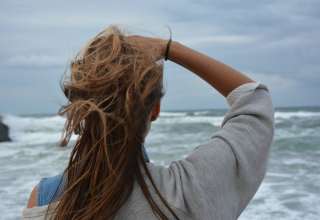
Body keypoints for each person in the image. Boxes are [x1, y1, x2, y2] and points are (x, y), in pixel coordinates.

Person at [22, 25, 274, 220]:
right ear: (155, 109)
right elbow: (255, 101)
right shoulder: (187, 192)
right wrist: (169, 49)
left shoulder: (44, 200)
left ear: (82, 109)